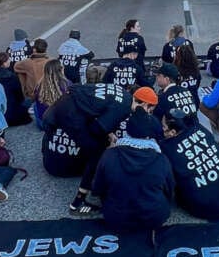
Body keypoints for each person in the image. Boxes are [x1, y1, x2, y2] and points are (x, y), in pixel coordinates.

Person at [50, 82, 133, 214]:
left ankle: (95, 182)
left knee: (99, 142)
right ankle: (78, 202)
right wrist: (108, 141)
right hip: (70, 112)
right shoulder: (124, 107)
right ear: (143, 104)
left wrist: (108, 132)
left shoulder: (122, 92)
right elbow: (96, 129)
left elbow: (95, 107)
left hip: (68, 99)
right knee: (97, 151)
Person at [91, 109, 175, 232]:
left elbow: (97, 189)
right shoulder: (162, 160)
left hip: (115, 218)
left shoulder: (109, 155)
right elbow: (170, 191)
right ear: (150, 135)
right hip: (154, 218)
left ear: (128, 131)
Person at [159, 105, 219, 221]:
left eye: (164, 126)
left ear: (172, 132)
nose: (162, 128)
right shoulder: (200, 129)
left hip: (204, 206)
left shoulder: (167, 148)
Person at [0, 51, 28, 126]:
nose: (10, 61)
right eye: (8, 59)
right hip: (11, 110)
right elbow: (19, 95)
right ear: (4, 63)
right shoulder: (12, 76)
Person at [32, 59, 70, 129]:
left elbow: (35, 98)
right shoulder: (67, 84)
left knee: (35, 105)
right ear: (61, 70)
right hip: (63, 124)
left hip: (44, 124)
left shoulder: (39, 85)